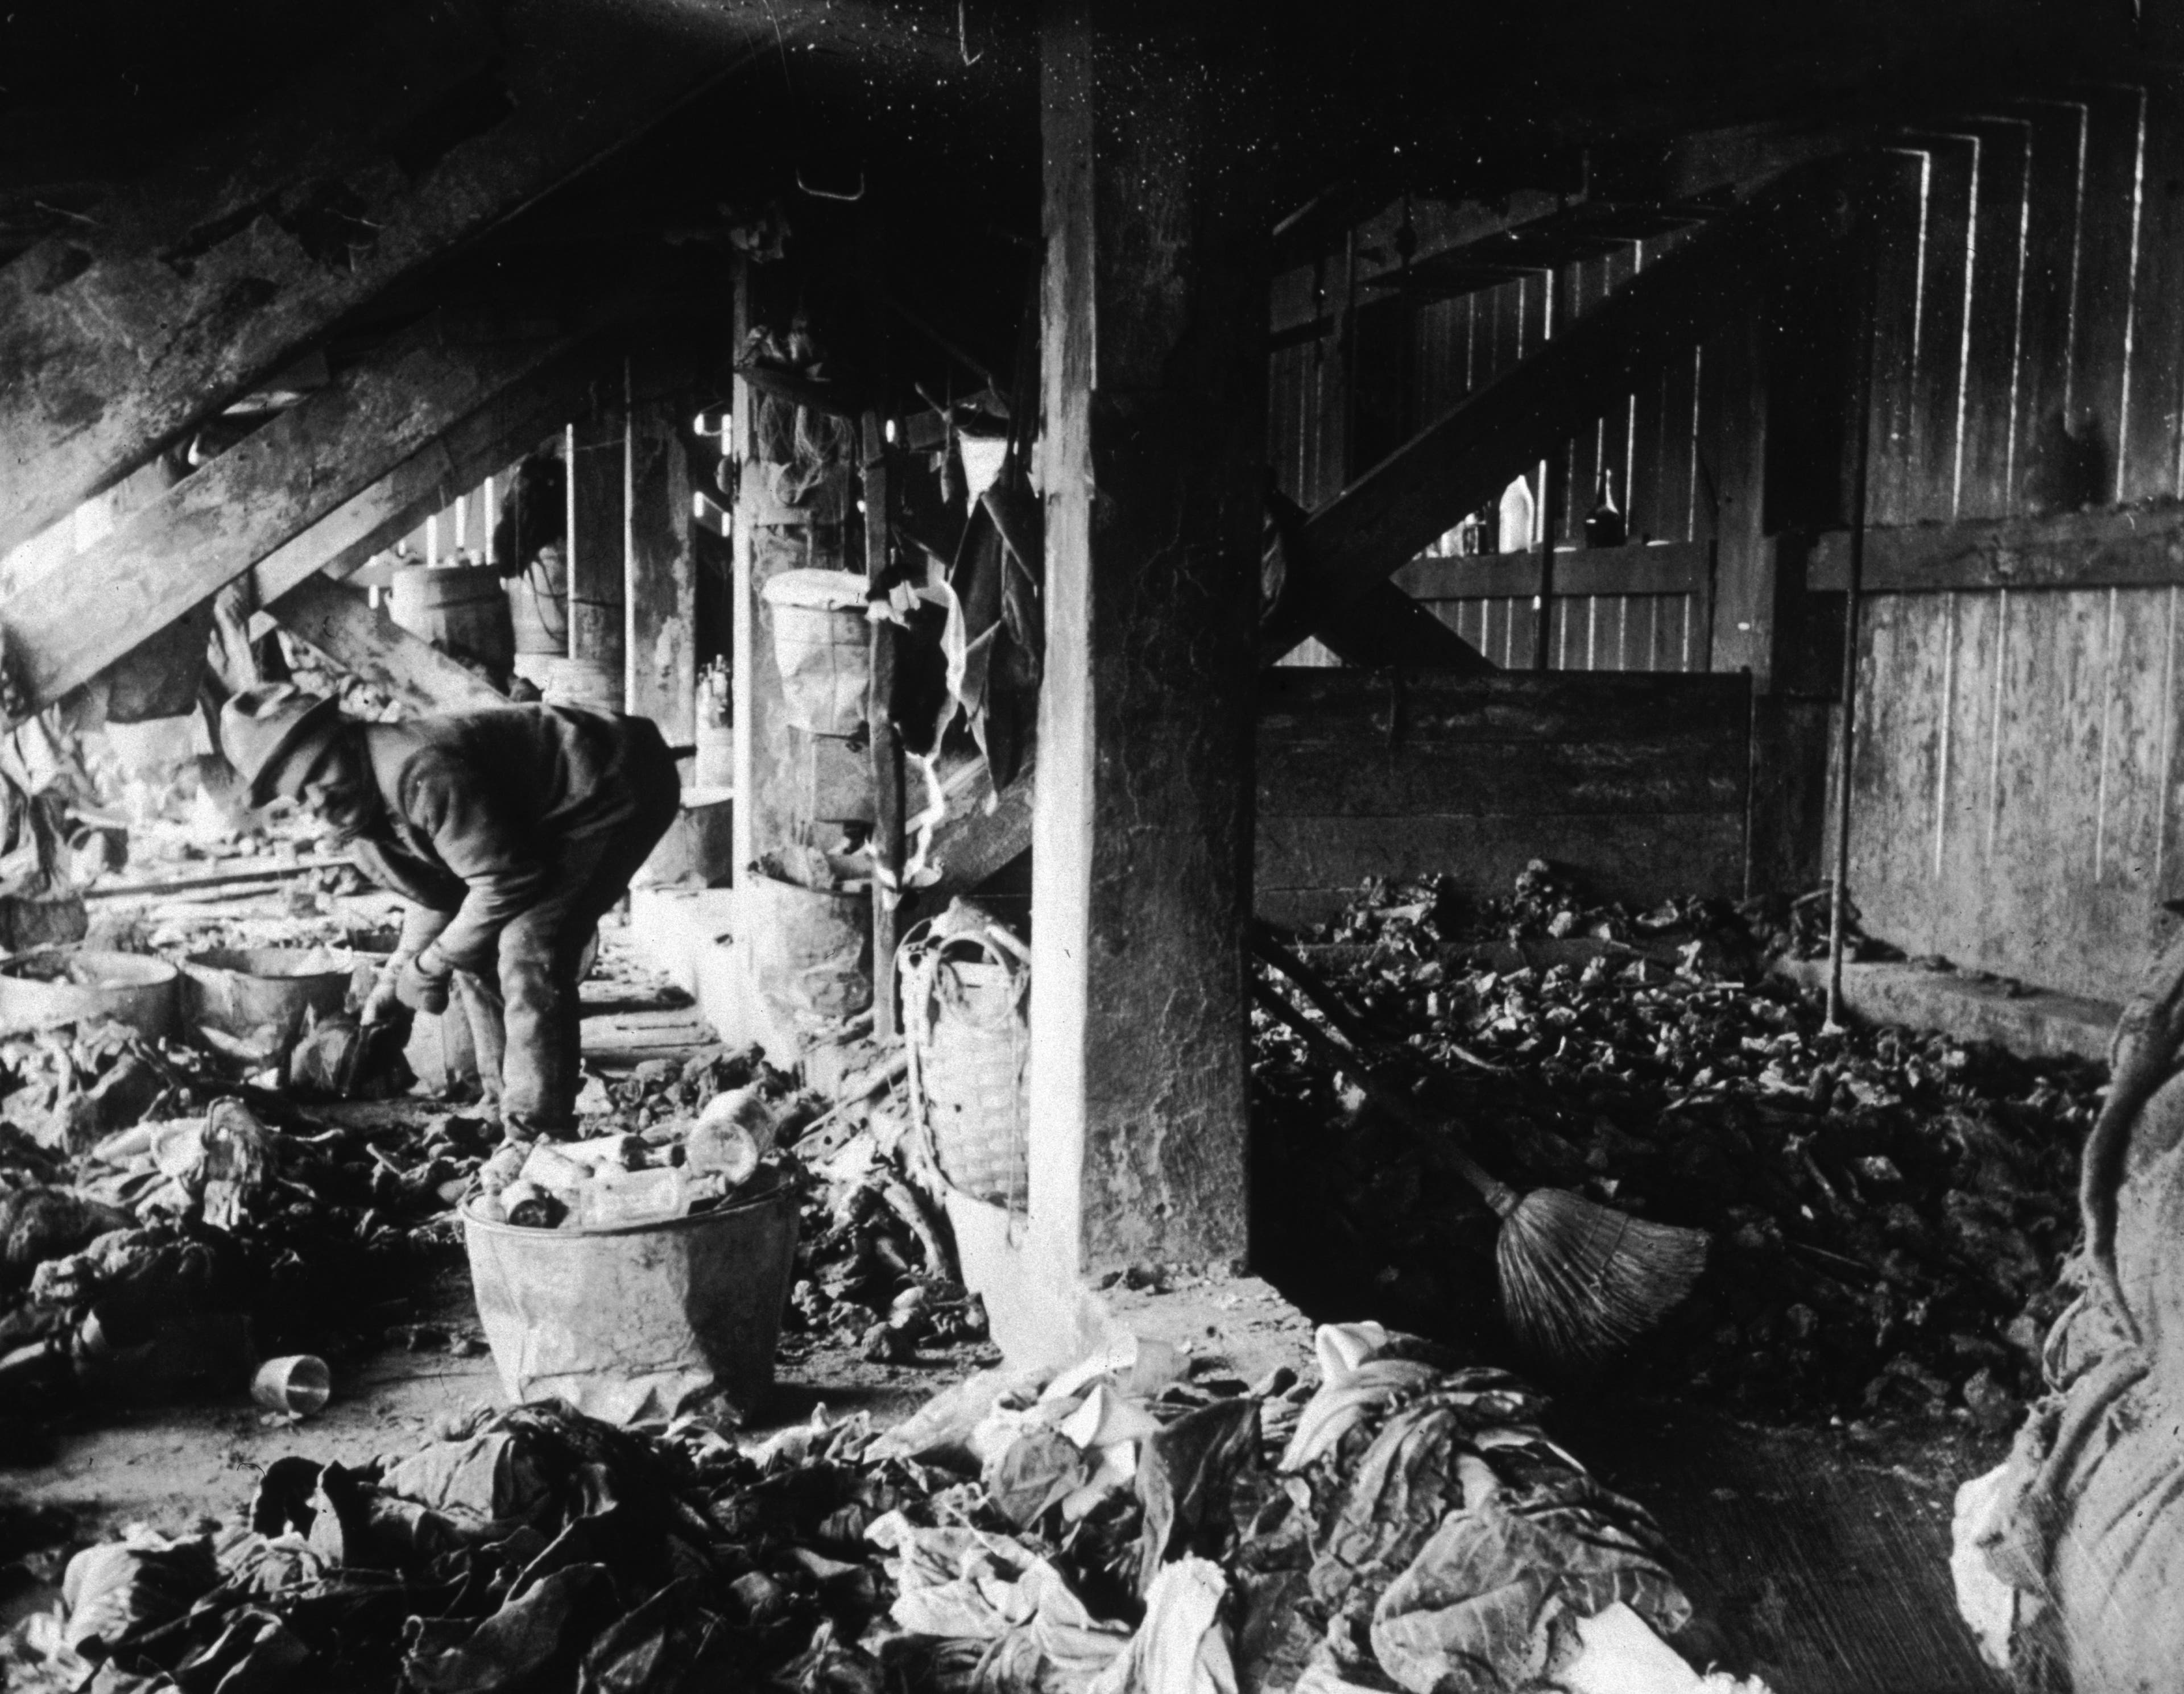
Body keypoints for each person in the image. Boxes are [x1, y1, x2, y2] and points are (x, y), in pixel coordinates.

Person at [219, 684, 680, 1140]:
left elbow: (505, 882)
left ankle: (538, 1132)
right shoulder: (355, 806)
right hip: (541, 816)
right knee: (473, 945)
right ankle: (501, 1101)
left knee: (530, 942)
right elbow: (438, 897)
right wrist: (395, 980)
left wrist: (431, 964)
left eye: (319, 771)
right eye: (300, 794)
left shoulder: (417, 768)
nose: (318, 801)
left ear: (343, 732)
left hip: (614, 781)